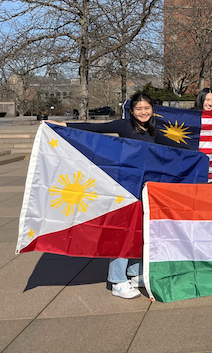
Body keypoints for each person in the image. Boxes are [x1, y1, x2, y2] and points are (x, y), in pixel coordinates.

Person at [46, 92, 170, 299]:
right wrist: (61, 125)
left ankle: (134, 271)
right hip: (125, 188)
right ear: (132, 111)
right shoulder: (124, 126)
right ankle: (117, 280)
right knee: (123, 231)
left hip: (145, 187)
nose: (143, 112)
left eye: (146, 108)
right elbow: (95, 129)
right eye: (139, 109)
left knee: (141, 230)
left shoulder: (153, 129)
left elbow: (175, 148)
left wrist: (201, 156)